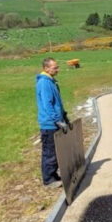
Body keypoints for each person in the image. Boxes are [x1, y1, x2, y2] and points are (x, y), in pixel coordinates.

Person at [35, 57, 70, 187]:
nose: (58, 69)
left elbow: (57, 102)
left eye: (57, 67)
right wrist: (57, 120)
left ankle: (53, 175)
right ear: (46, 68)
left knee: (56, 152)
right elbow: (47, 104)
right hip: (49, 124)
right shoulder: (44, 83)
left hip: (55, 122)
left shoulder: (50, 81)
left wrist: (64, 116)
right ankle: (48, 180)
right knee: (50, 152)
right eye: (55, 67)